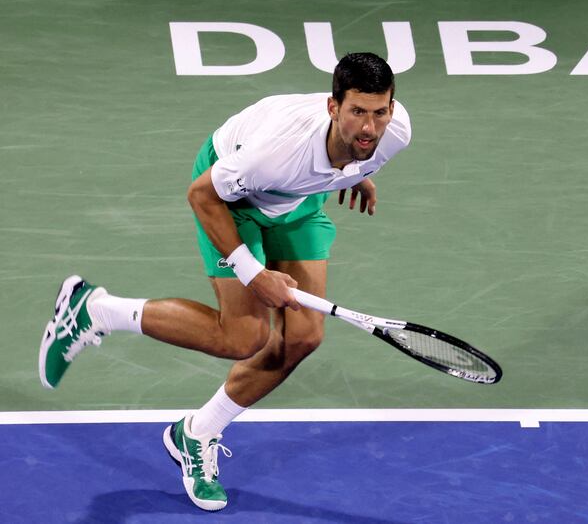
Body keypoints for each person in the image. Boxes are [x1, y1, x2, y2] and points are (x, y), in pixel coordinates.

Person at [39, 52, 412, 511]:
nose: (370, 128)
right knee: (243, 337)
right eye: (357, 113)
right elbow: (202, 195)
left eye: (379, 112)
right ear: (332, 107)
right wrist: (253, 273)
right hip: (230, 196)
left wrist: (356, 171)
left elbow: (362, 148)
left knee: (303, 336)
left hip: (295, 198)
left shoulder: (394, 134)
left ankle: (197, 432)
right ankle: (96, 310)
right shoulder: (277, 153)